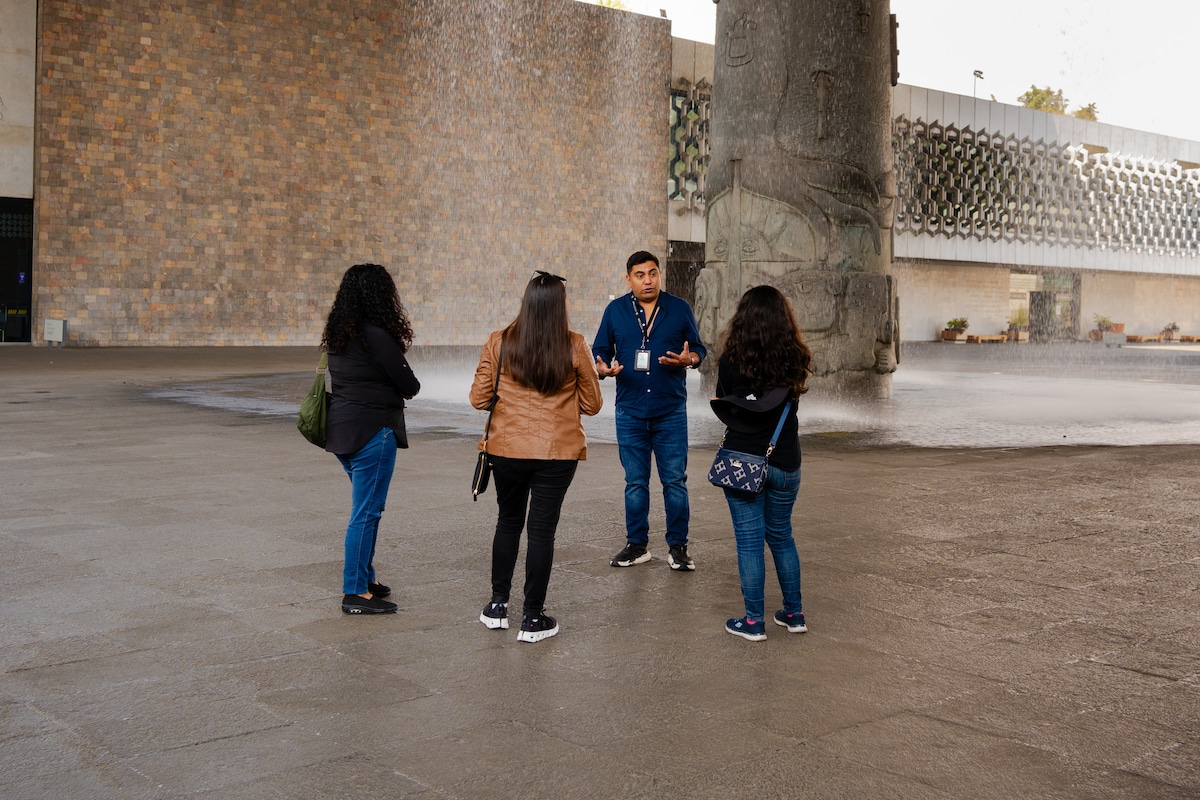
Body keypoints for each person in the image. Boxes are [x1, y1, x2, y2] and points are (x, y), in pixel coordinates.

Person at [471, 270, 603, 643]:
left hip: (506, 449)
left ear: (526, 302)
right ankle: (532, 618)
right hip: (557, 452)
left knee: (508, 522)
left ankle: (497, 606)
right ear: (560, 306)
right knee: (542, 531)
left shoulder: (499, 342)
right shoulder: (575, 345)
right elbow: (593, 404)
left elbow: (479, 398)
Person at [710, 285, 813, 641]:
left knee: (749, 542)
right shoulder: (795, 357)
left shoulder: (731, 359)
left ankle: (754, 622)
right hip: (784, 461)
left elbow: (725, 401)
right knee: (782, 536)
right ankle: (794, 614)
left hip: (743, 461)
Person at [592, 250, 706, 570]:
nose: (648, 281)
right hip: (630, 410)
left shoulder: (679, 309)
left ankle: (678, 547)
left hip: (670, 410)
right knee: (635, 483)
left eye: (653, 273)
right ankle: (637, 545)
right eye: (640, 275)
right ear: (628, 279)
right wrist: (602, 368)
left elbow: (698, 349)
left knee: (675, 481)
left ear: (659, 275)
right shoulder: (616, 311)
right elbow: (601, 349)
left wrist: (688, 360)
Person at [322, 264, 421, 615]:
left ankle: (365, 577)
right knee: (366, 512)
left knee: (368, 509)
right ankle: (355, 592)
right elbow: (410, 385)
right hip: (372, 433)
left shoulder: (339, 334)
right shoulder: (376, 336)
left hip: (342, 431)